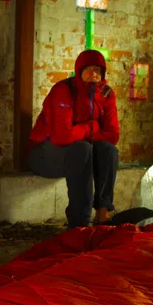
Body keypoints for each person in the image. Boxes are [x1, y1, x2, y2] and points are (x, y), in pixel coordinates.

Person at [27, 49, 120, 228]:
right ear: (79, 71)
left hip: (77, 152)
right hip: (43, 154)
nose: (94, 74)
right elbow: (62, 137)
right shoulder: (64, 91)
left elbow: (113, 135)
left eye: (98, 70)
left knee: (108, 150)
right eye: (88, 69)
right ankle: (79, 222)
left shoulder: (106, 95)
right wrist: (91, 126)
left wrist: (85, 132)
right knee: (82, 148)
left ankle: (103, 212)